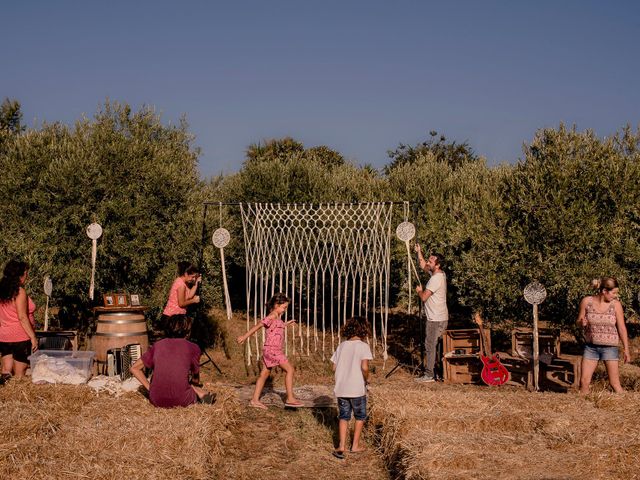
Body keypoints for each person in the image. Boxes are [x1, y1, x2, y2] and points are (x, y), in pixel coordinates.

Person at [130, 314, 215, 408]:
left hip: (156, 400)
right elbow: (195, 378)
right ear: (188, 331)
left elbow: (134, 368)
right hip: (182, 401)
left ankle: (202, 394)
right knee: (191, 385)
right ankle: (203, 394)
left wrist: (150, 389)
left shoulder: (157, 346)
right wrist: (194, 386)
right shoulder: (193, 348)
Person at [236, 293, 303, 409]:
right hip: (273, 350)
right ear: (277, 305)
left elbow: (276, 327)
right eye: (284, 307)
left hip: (270, 350)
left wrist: (286, 324)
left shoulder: (277, 317)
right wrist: (244, 336)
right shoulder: (272, 315)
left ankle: (254, 400)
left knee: (264, 374)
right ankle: (290, 398)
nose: (285, 310)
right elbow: (258, 325)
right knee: (290, 369)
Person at [577, 276, 631, 394]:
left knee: (615, 384)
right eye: (614, 292)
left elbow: (622, 328)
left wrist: (626, 349)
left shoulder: (616, 305)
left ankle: (622, 406)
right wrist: (582, 323)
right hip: (591, 347)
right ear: (604, 291)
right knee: (584, 383)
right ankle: (584, 409)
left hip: (610, 348)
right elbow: (579, 321)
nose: (615, 295)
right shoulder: (587, 301)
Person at [330, 316, 373, 459]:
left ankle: (341, 446)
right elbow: (364, 367)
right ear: (364, 330)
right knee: (360, 417)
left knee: (343, 416)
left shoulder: (342, 345)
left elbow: (334, 367)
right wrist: (367, 378)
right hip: (357, 389)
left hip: (342, 388)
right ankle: (354, 446)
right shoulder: (363, 346)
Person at [414, 244, 448, 383]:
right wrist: (419, 252)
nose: (428, 262)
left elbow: (423, 297)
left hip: (435, 319)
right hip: (440, 317)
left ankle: (429, 375)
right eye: (429, 260)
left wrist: (419, 291)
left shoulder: (435, 279)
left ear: (438, 265)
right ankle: (438, 372)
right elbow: (423, 266)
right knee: (436, 345)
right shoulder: (439, 273)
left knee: (430, 345)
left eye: (431, 261)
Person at [0, 260, 38, 383]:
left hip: (4, 336)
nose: (27, 276)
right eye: (26, 273)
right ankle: (16, 399)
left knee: (6, 370)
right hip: (20, 337)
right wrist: (33, 337)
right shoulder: (20, 292)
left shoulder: (2, 291)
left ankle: (4, 397)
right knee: (19, 375)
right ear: (20, 275)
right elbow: (22, 317)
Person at [161, 261, 201, 333]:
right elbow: (181, 303)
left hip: (177, 317)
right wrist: (194, 301)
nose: (193, 279)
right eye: (192, 277)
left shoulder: (183, 283)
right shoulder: (181, 285)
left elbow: (189, 296)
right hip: (172, 318)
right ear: (186, 274)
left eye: (195, 277)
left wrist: (196, 283)